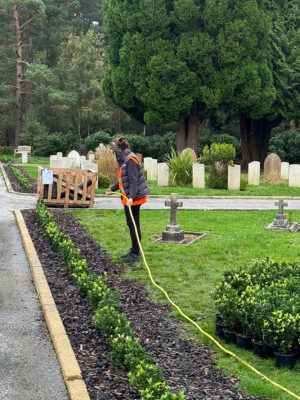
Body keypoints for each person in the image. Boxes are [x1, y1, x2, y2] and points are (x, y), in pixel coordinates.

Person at [106, 137, 150, 263]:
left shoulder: (130, 160)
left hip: (134, 198)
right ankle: (134, 250)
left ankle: (135, 254)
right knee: (131, 224)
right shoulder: (125, 158)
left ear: (120, 148)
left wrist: (131, 197)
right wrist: (112, 189)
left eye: (114, 148)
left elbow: (133, 180)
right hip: (130, 197)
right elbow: (122, 179)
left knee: (134, 225)